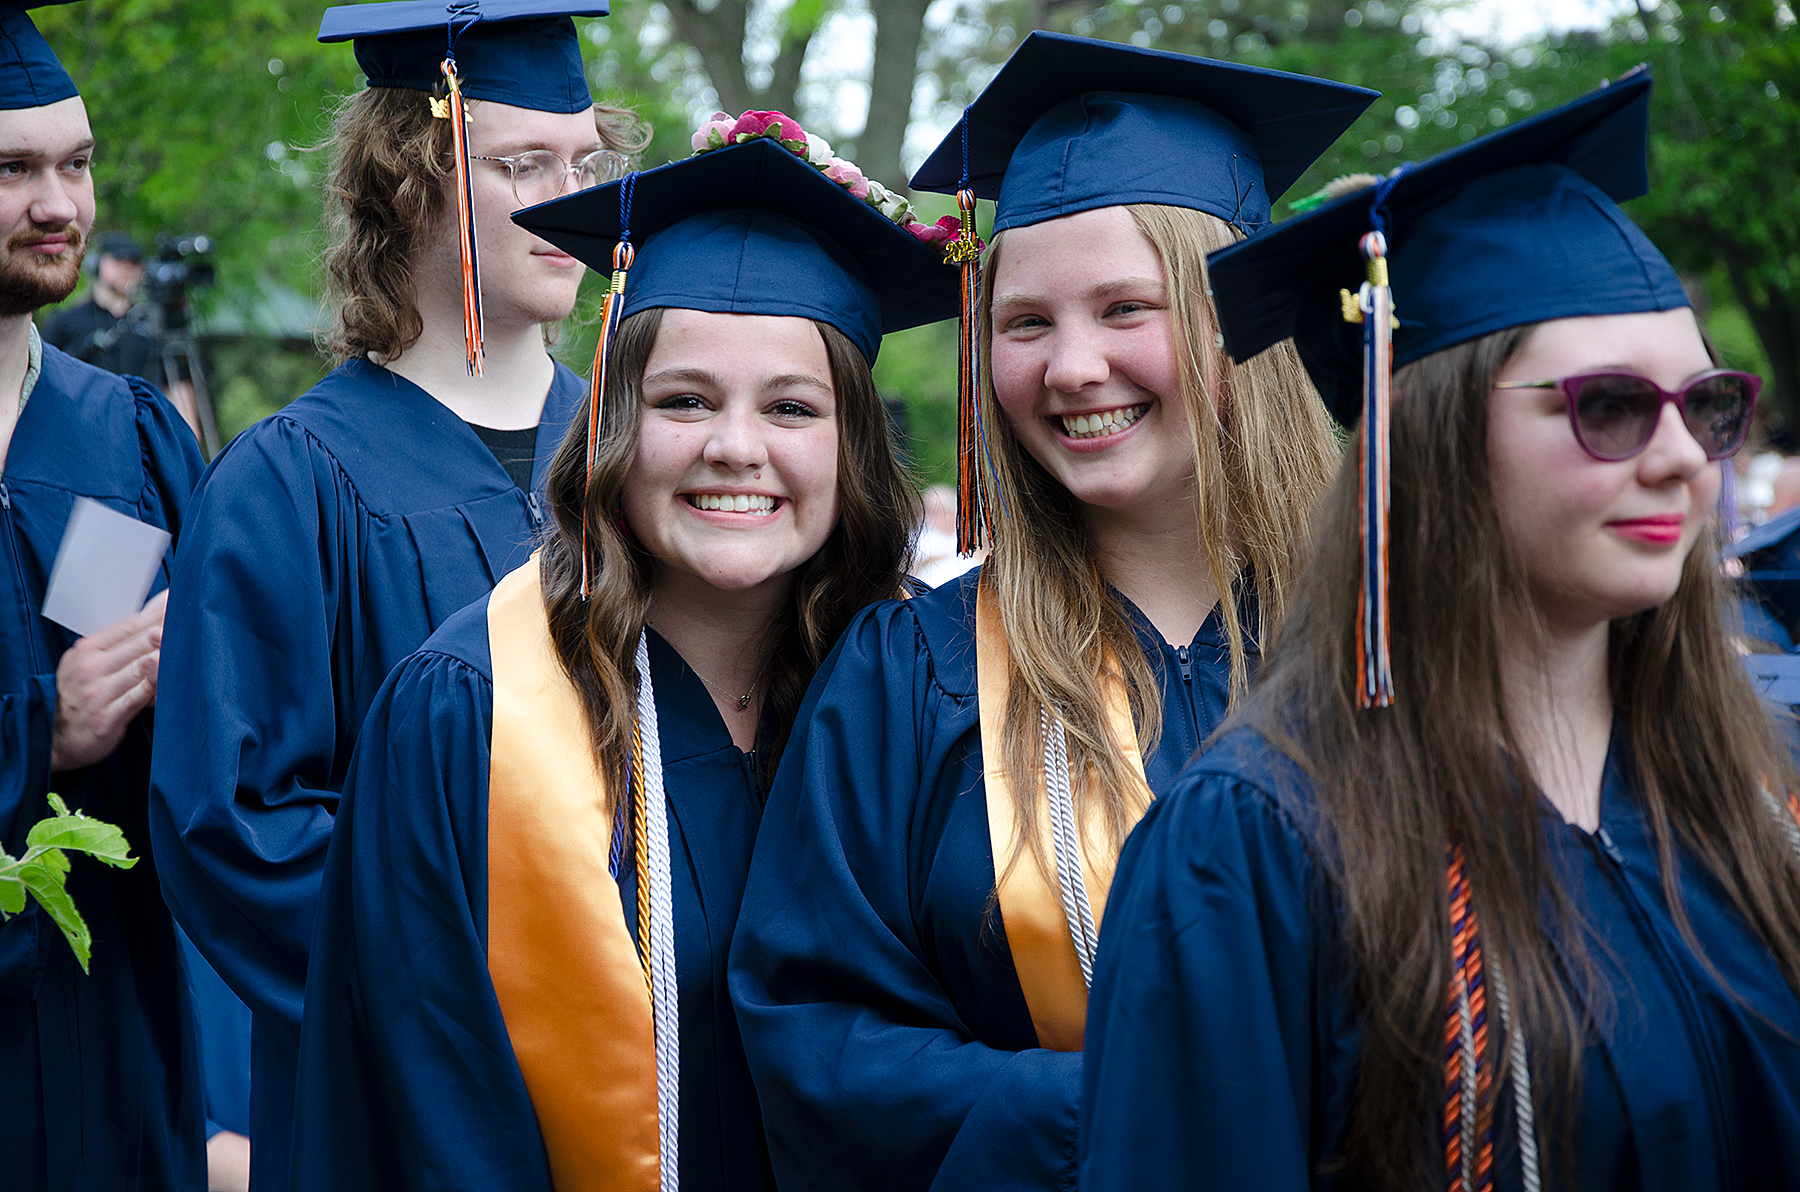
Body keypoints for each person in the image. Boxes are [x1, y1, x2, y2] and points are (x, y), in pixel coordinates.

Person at [1082, 72, 1800, 1191]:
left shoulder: (1764, 783)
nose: (1677, 455)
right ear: (1432, 442)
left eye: (1705, 405)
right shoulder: (1257, 845)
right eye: (1608, 406)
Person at [728, 32, 1374, 1191]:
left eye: (1127, 308)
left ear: (1242, 325)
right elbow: (816, 1037)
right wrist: (1121, 1111)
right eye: (1026, 323)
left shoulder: (1393, 649)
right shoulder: (910, 677)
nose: (1072, 368)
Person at [289, 126, 956, 1192]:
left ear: (853, 448)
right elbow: (425, 1115)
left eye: (792, 406)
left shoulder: (924, 701)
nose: (736, 447)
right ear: (610, 421)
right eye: (685, 399)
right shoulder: (473, 713)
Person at [147, 4, 647, 1188]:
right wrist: (492, 977)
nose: (568, 197)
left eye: (585, 164)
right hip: (402, 1099)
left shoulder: (637, 452)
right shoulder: (289, 481)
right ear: (413, 181)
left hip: (654, 1066)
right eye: (522, 165)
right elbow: (236, 822)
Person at [0, 4, 207, 1189]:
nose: (61, 205)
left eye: (74, 164)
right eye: (15, 168)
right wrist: (41, 724)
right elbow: (66, 702)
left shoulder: (122, 436)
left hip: (115, 1039)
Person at [41, 228, 155, 375]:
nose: (126, 269)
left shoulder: (151, 324)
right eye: (119, 261)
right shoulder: (66, 321)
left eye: (133, 263)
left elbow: (177, 384)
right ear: (96, 263)